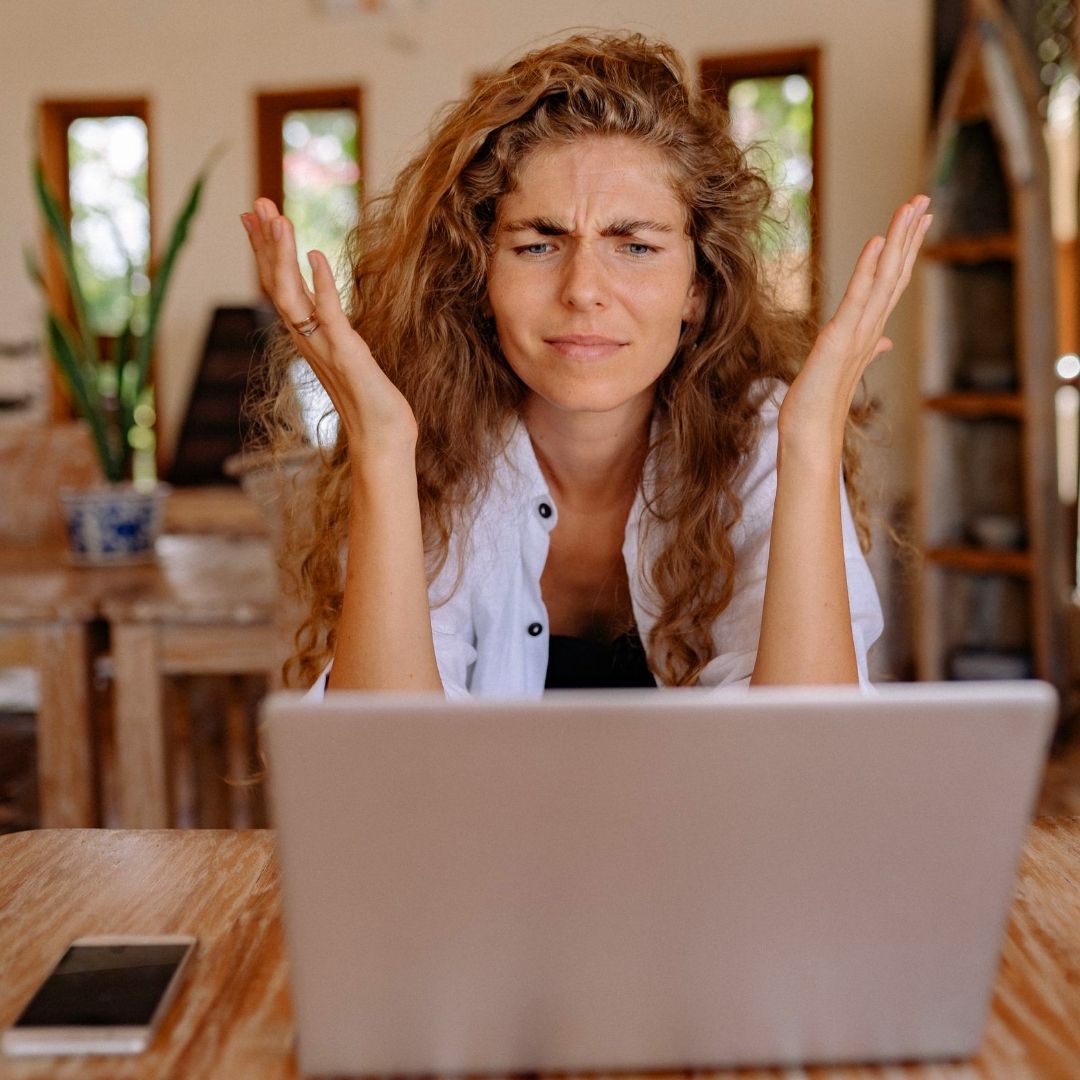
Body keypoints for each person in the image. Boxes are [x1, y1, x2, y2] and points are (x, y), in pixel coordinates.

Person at [240, 32, 929, 698]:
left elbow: (805, 767)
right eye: (539, 245)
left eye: (635, 246)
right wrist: (383, 449)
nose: (583, 290)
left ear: (698, 285)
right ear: (479, 277)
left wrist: (809, 442)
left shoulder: (760, 434)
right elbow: (384, 771)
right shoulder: (430, 442)